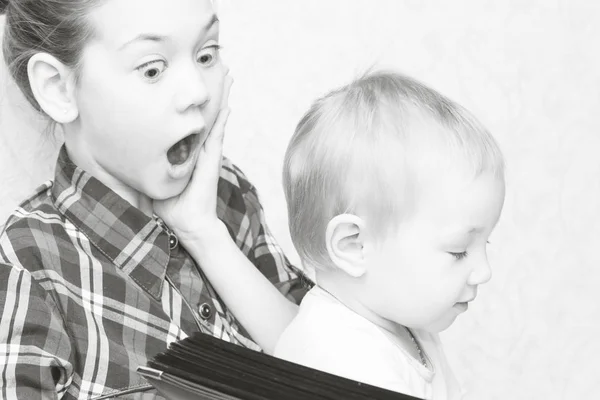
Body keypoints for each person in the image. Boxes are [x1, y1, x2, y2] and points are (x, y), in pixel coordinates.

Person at [0, 0, 308, 398]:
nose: (197, 92)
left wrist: (206, 236)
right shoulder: (26, 265)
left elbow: (336, 367)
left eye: (206, 54)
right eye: (152, 69)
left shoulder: (227, 191)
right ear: (58, 88)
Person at [274, 71, 506, 399]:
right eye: (458, 250)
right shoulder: (337, 359)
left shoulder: (403, 322)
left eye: (486, 243)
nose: (485, 271)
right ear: (353, 246)